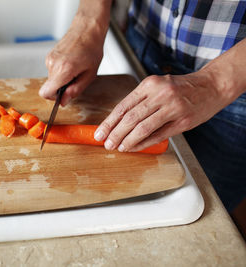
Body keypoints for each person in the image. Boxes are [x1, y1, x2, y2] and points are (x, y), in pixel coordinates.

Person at [38, 0, 246, 222]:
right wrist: (88, 22)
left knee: (197, 213)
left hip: (237, 91)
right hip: (144, 43)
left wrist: (214, 83)